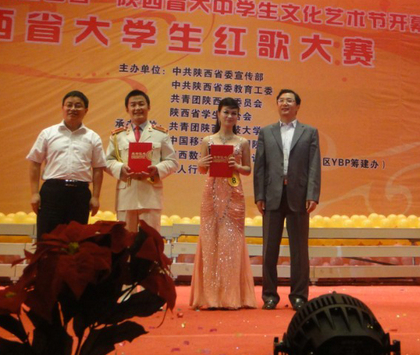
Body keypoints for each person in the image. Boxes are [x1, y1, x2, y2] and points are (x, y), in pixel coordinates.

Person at [254, 89, 321, 311]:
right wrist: (259, 195)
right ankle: (269, 296)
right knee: (269, 250)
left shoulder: (309, 132)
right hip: (272, 196)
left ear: (297, 106)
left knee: (299, 251)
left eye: (289, 100)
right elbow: (260, 166)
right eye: (281, 100)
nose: (285, 104)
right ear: (277, 105)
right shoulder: (266, 132)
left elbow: (314, 166)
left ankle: (299, 296)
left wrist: (312, 194)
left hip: (299, 197)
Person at [190, 97, 257, 310]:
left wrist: (237, 166)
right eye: (226, 112)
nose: (229, 116)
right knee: (210, 241)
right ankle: (209, 297)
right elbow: (202, 169)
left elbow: (248, 170)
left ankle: (231, 297)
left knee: (232, 242)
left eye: (233, 113)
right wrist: (201, 163)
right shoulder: (207, 141)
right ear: (218, 114)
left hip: (234, 194)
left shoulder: (242, 142)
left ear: (238, 117)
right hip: (211, 194)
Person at [27, 90, 106, 240]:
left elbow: (98, 168)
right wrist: (34, 193)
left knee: (76, 243)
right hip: (52, 193)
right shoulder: (48, 133)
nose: (73, 109)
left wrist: (95, 197)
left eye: (78, 105)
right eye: (69, 105)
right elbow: (35, 163)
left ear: (86, 110)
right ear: (62, 108)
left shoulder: (93, 137)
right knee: (47, 241)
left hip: (80, 195)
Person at [105, 90, 178, 232]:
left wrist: (157, 170)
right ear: (127, 109)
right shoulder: (117, 136)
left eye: (141, 104)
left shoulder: (160, 134)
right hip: (126, 195)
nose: (137, 108)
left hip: (150, 195)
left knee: (149, 241)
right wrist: (120, 168)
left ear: (148, 107)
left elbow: (172, 161)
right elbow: (108, 161)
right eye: (133, 105)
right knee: (125, 240)